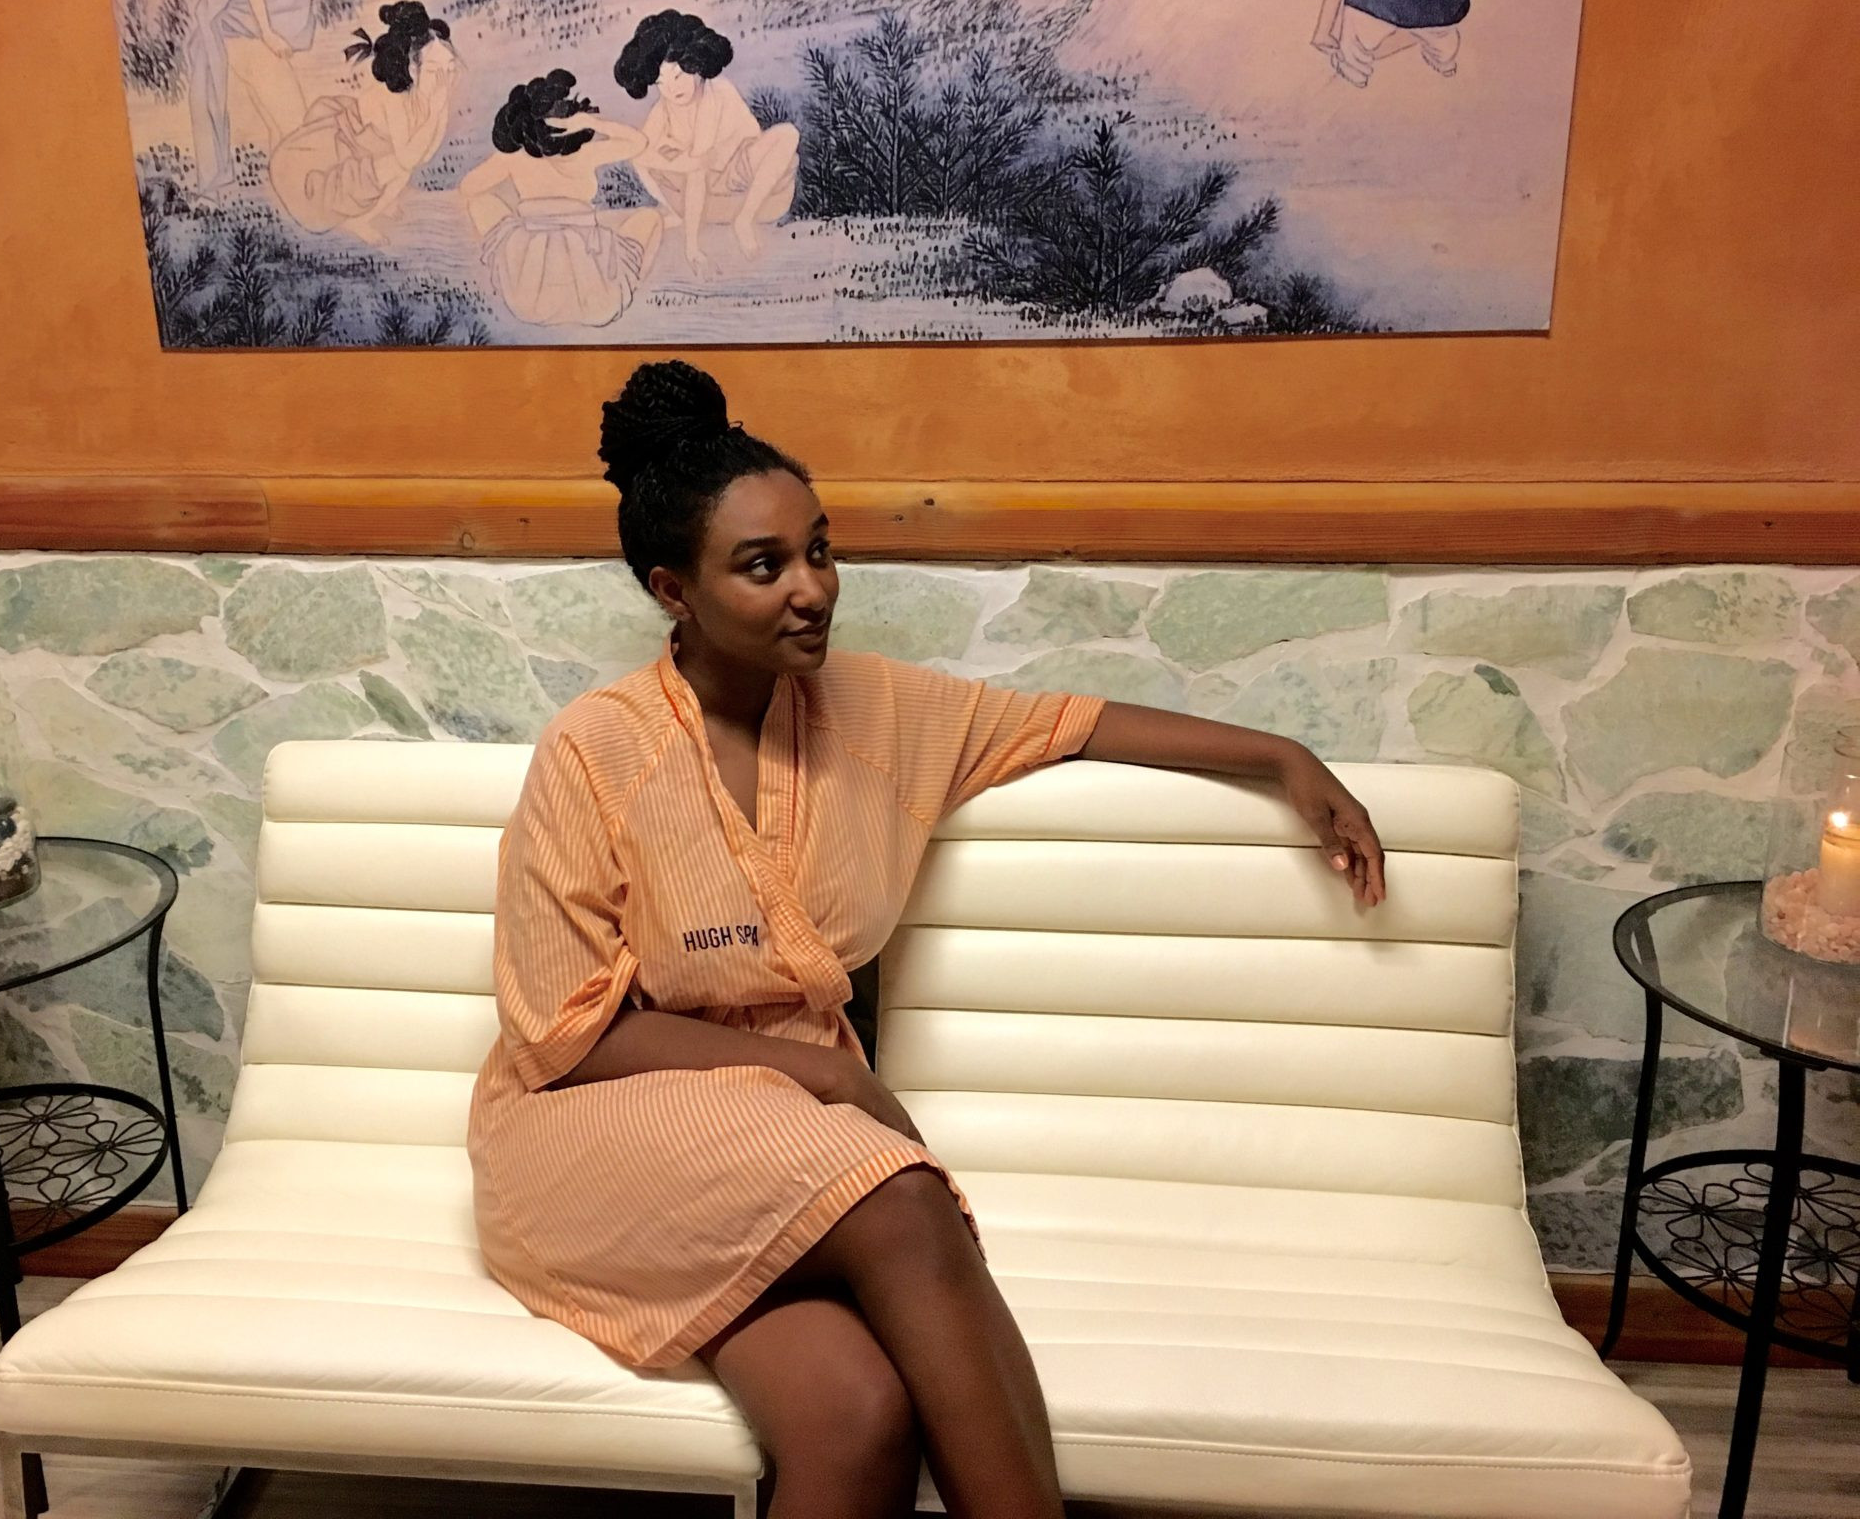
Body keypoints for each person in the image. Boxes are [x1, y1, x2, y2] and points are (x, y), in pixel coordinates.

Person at [466, 360, 1389, 1516]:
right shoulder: (593, 751)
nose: (811, 589)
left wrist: (1281, 759)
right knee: (898, 1198)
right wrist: (816, 1071)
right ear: (673, 591)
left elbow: (1072, 723)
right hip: (589, 1132)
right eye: (762, 566)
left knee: (854, 1419)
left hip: (773, 1143)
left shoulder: (882, 713)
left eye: (820, 549)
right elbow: (563, 1037)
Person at [458, 71, 663, 327]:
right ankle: (623, 289)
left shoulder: (516, 157)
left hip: (528, 296)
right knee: (651, 219)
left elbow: (469, 188)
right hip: (595, 292)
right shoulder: (587, 153)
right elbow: (638, 142)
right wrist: (594, 123)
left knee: (480, 204)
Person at [613, 10, 800, 274]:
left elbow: (699, 170)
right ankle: (676, 211)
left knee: (788, 135)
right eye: (660, 82)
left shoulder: (717, 92)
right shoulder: (664, 106)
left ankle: (744, 219)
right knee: (642, 156)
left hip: (739, 170)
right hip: (701, 177)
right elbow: (640, 150)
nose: (671, 89)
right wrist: (676, 160)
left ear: (697, 67)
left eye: (678, 76)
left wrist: (692, 248)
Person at [266, 0, 459, 244]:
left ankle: (371, 208)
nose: (445, 78)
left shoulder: (428, 95)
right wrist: (435, 111)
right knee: (401, 166)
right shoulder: (394, 98)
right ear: (412, 68)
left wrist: (438, 109)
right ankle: (358, 221)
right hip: (331, 160)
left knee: (402, 167)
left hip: (368, 153)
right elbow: (408, 158)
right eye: (435, 70)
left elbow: (426, 154)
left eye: (450, 68)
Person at [182, 0, 316, 194]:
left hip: (247, 26)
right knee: (295, 123)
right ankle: (299, 198)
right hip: (243, 29)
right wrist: (267, 33)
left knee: (282, 126)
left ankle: (286, 196)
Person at [1313, 0, 1475, 86]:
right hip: (1443, 10)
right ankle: (1442, 53)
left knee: (1354, 50)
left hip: (1380, 5)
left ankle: (1353, 67)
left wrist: (1323, 30)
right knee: (1442, 39)